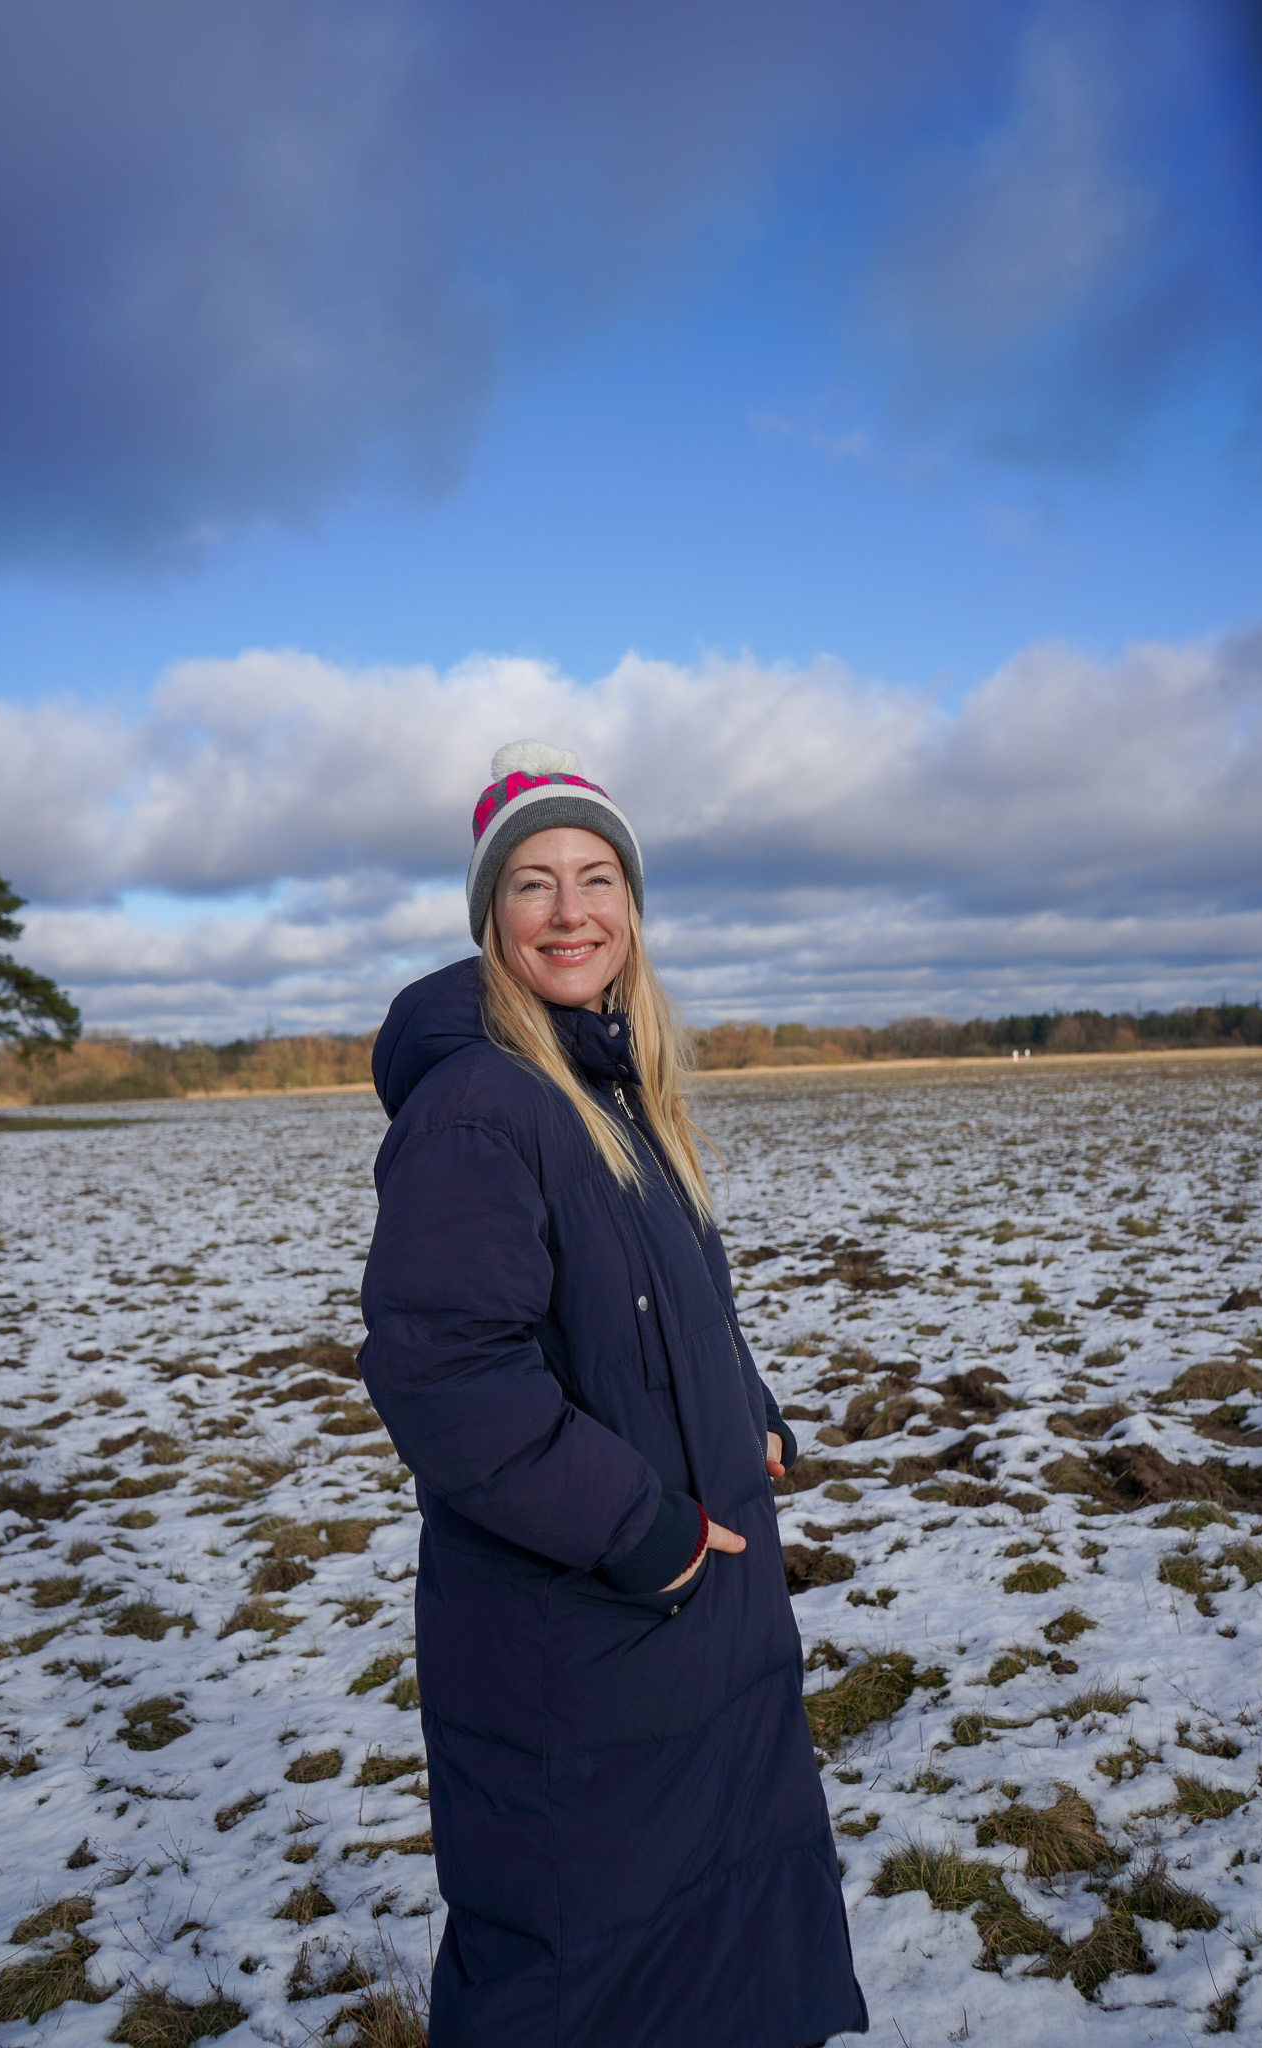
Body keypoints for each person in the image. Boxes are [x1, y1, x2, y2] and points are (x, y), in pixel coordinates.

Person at [360, 740, 868, 2048]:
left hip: (688, 1620)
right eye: (532, 883)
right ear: (491, 917)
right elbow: (448, 1373)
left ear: (633, 907)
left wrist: (744, 1410)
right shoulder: (481, 1106)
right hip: (583, 1627)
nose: (569, 910)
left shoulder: (612, 1088)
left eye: (597, 877)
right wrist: (642, 1531)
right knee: (584, 1970)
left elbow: (665, 1298)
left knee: (712, 1952)